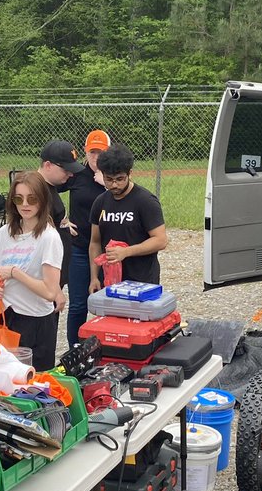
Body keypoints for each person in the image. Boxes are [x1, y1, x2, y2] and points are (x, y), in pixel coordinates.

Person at [0, 171, 64, 372]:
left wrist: (16, 273)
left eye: (32, 199)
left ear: (42, 200)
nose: (25, 204)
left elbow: (50, 292)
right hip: (7, 317)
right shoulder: (5, 232)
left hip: (36, 321)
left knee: (34, 384)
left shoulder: (48, 238)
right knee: (4, 379)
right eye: (19, 198)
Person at [88, 143, 168, 290]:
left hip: (142, 281)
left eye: (119, 179)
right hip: (109, 280)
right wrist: (94, 277)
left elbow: (160, 240)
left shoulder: (145, 201)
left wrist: (126, 252)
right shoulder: (100, 202)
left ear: (130, 173)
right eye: (109, 179)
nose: (114, 185)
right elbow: (95, 242)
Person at [62, 130, 109, 347]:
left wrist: (106, 183)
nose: (96, 157)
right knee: (79, 304)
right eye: (92, 152)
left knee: (111, 303)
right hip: (80, 248)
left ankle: (110, 346)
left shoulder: (114, 175)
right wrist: (58, 219)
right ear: (85, 151)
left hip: (111, 251)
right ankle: (75, 349)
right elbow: (43, 187)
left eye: (101, 152)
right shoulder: (76, 174)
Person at [38, 139, 83, 296]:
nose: (70, 174)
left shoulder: (49, 188)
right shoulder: (37, 193)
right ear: (48, 165)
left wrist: (63, 225)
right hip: (45, 284)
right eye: (66, 169)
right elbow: (36, 242)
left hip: (54, 279)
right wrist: (53, 288)